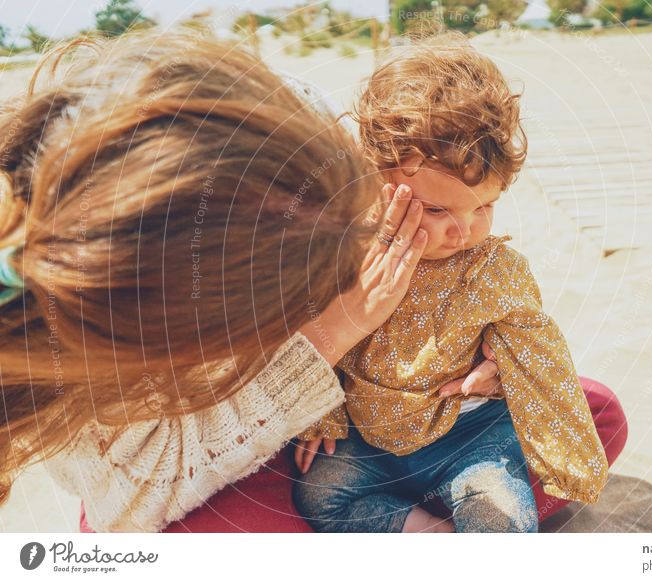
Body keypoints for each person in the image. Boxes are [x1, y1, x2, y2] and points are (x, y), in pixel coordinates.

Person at [0, 31, 511, 533]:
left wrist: (480, 343)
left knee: (588, 407)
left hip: (338, 409)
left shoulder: (286, 123)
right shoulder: (79, 361)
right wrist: (332, 331)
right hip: (221, 455)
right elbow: (129, 500)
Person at [291, 34, 617, 533]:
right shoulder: (347, 253)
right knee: (319, 493)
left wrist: (567, 454)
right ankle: (430, 532)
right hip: (368, 439)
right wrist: (320, 414)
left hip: (469, 437)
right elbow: (317, 331)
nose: (463, 230)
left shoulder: (494, 269)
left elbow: (538, 349)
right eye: (438, 209)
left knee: (499, 511)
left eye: (483, 207)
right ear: (376, 183)